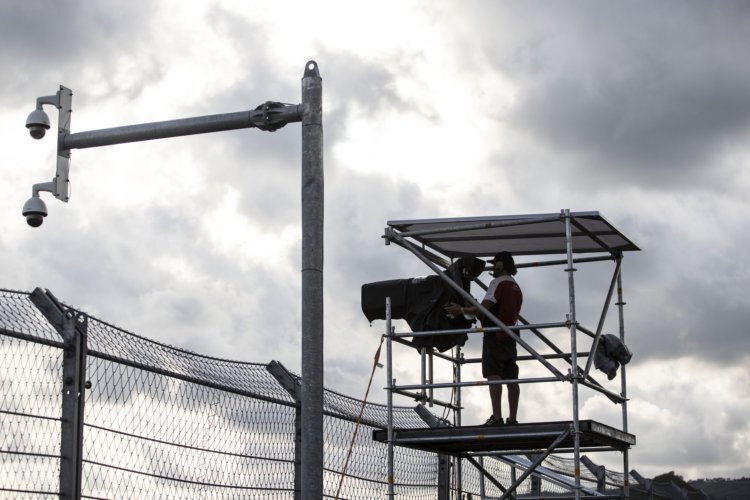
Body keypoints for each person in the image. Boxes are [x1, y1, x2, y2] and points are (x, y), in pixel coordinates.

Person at [445, 251, 523, 426]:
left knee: (493, 374)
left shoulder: (498, 283)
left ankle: (496, 417)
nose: (492, 267)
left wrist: (462, 310)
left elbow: (484, 309)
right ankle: (512, 419)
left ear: (501, 265)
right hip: (511, 334)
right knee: (511, 377)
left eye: (495, 264)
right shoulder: (515, 286)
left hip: (495, 334)